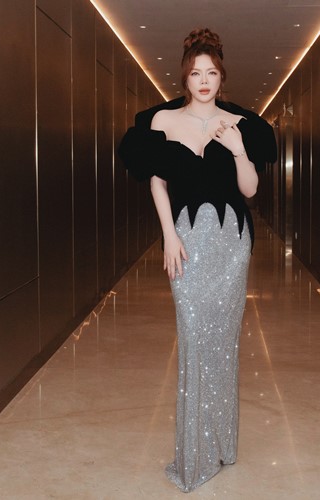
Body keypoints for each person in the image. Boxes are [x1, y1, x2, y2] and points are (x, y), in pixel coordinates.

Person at [119, 28, 277, 492]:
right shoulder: (163, 121)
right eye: (195, 74)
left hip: (231, 243)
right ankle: (195, 454)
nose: (204, 81)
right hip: (186, 240)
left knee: (223, 345)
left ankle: (222, 444)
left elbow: (250, 190)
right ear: (184, 78)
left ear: (221, 77)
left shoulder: (239, 123)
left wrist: (239, 149)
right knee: (193, 338)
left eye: (211, 73)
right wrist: (168, 235)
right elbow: (157, 181)